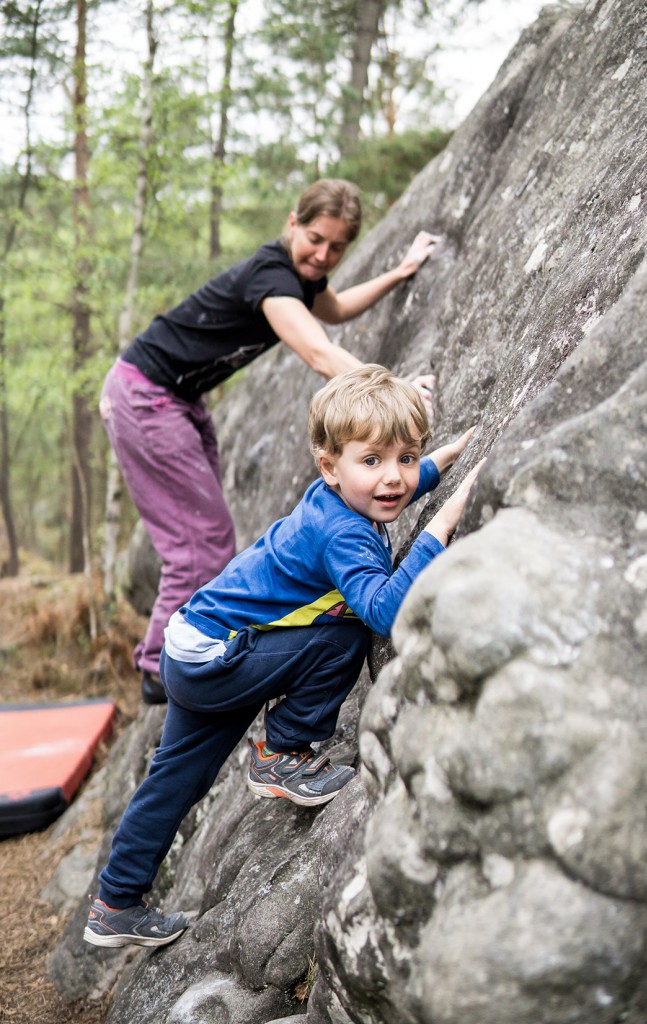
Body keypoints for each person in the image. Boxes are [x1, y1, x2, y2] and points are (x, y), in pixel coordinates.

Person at [84, 364, 484, 950]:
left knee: (173, 780)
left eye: (406, 457)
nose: (393, 478)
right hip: (215, 657)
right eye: (372, 460)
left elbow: (391, 483)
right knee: (344, 631)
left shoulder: (337, 497)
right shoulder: (342, 532)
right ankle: (282, 752)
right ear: (330, 466)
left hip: (193, 644)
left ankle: (115, 903)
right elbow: (383, 611)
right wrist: (441, 527)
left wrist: (445, 460)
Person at [100, 178, 440, 705]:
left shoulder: (303, 278)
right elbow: (321, 355)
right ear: (291, 224)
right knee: (201, 538)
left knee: (208, 535)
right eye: (314, 238)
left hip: (181, 399)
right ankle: (156, 667)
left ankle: (179, 653)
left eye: (337, 247)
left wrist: (400, 271)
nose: (323, 254)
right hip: (146, 395)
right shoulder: (273, 276)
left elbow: (339, 308)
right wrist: (397, 394)